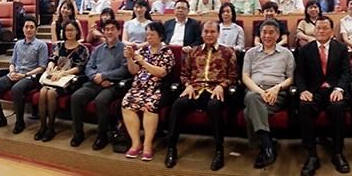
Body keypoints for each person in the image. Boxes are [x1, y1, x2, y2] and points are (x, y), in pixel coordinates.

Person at [164, 21, 237, 171]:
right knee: (178, 104)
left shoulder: (228, 52)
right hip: (194, 90)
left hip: (215, 90)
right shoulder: (193, 52)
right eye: (206, 32)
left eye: (212, 32)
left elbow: (233, 76)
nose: (209, 35)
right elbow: (184, 74)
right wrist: (188, 85)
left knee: (214, 105)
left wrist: (221, 86)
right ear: (202, 33)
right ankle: (171, 148)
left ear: (218, 33)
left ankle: (218, 150)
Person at [295, 16, 352, 175]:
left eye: (325, 28)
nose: (321, 31)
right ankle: (312, 155)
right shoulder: (306, 49)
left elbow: (346, 73)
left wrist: (340, 89)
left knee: (338, 107)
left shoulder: (341, 48)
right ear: (314, 30)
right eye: (318, 28)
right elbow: (299, 74)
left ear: (332, 31)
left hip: (334, 90)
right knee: (304, 107)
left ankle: (338, 153)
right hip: (314, 91)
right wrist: (303, 90)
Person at [70, 19, 132, 150]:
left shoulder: (124, 49)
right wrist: (95, 77)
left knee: (101, 100)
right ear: (103, 32)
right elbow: (88, 67)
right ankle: (78, 133)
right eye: (106, 29)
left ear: (119, 31)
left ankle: (102, 135)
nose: (109, 32)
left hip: (113, 84)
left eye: (112, 29)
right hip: (95, 82)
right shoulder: (97, 49)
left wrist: (104, 76)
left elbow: (124, 70)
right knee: (76, 97)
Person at [242, 19, 294, 169]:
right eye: (264, 32)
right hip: (255, 90)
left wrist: (276, 88)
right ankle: (268, 146)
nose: (267, 35)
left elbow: (291, 78)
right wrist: (260, 92)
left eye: (271, 32)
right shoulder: (251, 53)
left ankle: (262, 145)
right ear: (260, 34)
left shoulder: (286, 54)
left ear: (278, 35)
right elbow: (245, 77)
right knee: (252, 97)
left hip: (277, 94)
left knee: (248, 112)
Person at [121, 22, 174, 162]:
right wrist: (129, 58)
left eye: (152, 34)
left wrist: (143, 62)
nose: (149, 37)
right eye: (147, 34)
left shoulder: (166, 51)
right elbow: (134, 71)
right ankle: (136, 142)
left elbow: (161, 72)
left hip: (157, 88)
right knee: (127, 103)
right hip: (139, 87)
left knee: (149, 105)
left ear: (161, 36)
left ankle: (147, 144)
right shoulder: (143, 50)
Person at [0, 19, 49, 134]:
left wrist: (24, 75)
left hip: (30, 77)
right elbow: (12, 62)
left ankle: (20, 122)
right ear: (23, 29)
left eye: (31, 27)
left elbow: (42, 67)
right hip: (15, 74)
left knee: (17, 89)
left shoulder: (41, 45)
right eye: (26, 27)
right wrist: (12, 72)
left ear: (36, 30)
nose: (29, 29)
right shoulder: (18, 44)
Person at [35, 20, 88, 142]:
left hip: (69, 79)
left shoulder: (82, 49)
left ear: (77, 31)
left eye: (72, 30)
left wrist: (63, 73)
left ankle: (51, 127)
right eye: (67, 30)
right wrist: (50, 66)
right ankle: (43, 125)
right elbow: (53, 58)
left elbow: (79, 67)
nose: (69, 33)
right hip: (55, 77)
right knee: (43, 92)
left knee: (51, 93)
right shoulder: (59, 46)